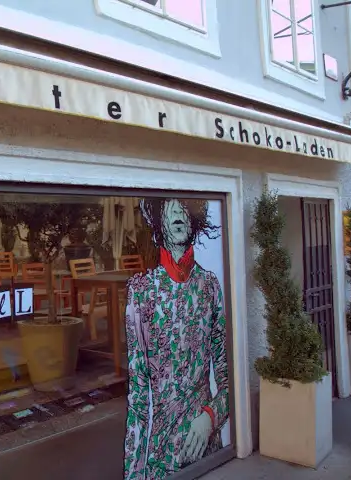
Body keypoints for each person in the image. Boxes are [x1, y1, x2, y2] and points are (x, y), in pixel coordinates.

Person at [123, 198, 228, 480]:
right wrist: (134, 473)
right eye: (170, 206)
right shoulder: (141, 291)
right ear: (159, 219)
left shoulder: (209, 286)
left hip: (205, 446)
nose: (179, 213)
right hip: (161, 453)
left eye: (185, 206)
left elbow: (229, 380)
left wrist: (210, 417)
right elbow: (138, 395)